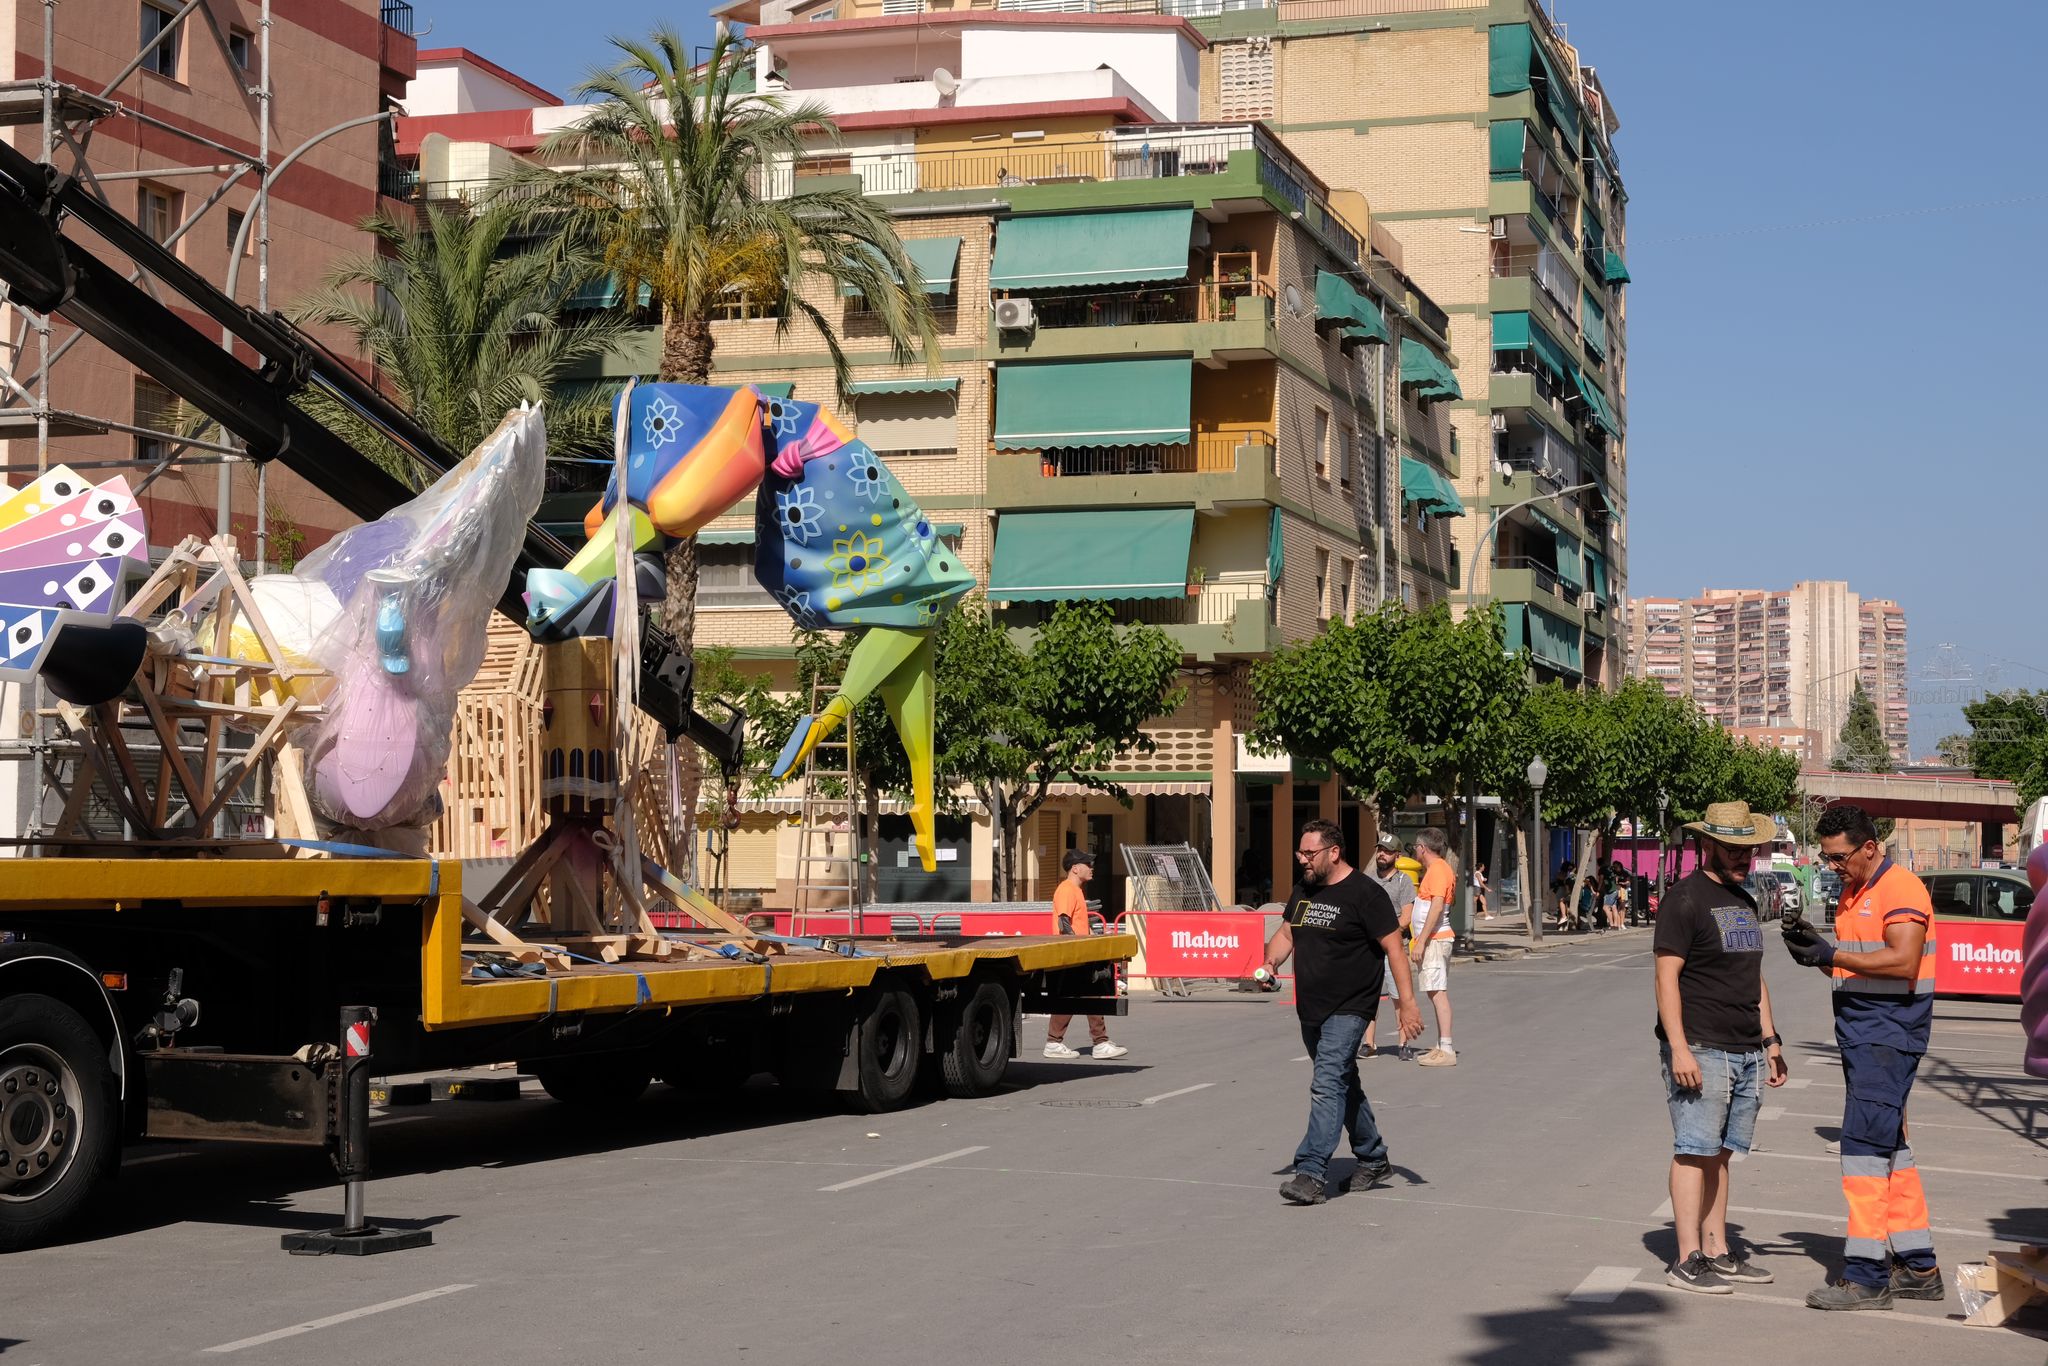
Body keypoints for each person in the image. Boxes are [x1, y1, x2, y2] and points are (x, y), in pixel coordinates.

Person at [1782, 804, 1943, 1310]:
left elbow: (1903, 959)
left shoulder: (1900, 889)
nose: (1833, 867)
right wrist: (1818, 951)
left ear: (1869, 847)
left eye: (1839, 858)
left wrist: (1831, 955)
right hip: (1867, 1034)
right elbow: (1863, 960)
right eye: (1827, 858)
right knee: (1891, 1149)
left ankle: (1867, 1277)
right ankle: (1919, 1267)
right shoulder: (1857, 889)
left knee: (1864, 1153)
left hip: (1887, 1037)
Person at [1653, 800, 1789, 1294]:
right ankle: (1687, 1258)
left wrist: (1770, 1041)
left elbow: (1754, 978)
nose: (1742, 858)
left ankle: (1718, 1250)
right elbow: (1666, 979)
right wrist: (1681, 1048)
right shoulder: (1684, 899)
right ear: (1706, 844)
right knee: (1693, 1151)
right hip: (1702, 1047)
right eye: (1732, 849)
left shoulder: (1746, 901)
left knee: (1722, 1154)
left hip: (1746, 1048)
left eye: (1748, 850)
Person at [1259, 819, 1420, 1205]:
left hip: (1349, 1007)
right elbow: (1286, 934)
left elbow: (1394, 948)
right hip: (1310, 1006)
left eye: (1309, 853)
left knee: (1327, 1081)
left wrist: (1408, 1004)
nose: (1302, 859)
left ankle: (1312, 1171)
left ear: (1334, 852)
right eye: (1300, 852)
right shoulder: (1305, 889)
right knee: (1343, 1082)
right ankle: (1374, 1156)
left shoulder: (1366, 894)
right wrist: (1269, 964)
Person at [1043, 850, 1129, 1060]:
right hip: (1073, 953)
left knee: (1077, 996)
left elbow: (1077, 923)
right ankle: (1096, 1043)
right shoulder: (1067, 890)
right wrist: (1076, 950)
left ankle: (1060, 1042)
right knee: (1086, 995)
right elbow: (1064, 923)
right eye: (1088, 865)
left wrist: (1096, 936)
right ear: (1075, 868)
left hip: (1078, 952)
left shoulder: (1076, 890)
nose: (1092, 868)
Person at [1361, 831, 1417, 1060]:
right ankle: (1369, 1044)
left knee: (1398, 995)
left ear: (1397, 855)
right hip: (1369, 948)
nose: (1382, 854)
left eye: (1387, 851)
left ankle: (1403, 1043)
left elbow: (1406, 917)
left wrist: (1387, 933)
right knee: (1368, 996)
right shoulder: (1368, 881)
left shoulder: (1404, 882)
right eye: (1380, 850)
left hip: (1394, 946)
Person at [1409, 827, 1458, 1066]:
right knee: (1434, 990)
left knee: (1438, 992)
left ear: (1423, 848)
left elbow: (1437, 907)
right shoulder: (1437, 870)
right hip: (1435, 939)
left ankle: (1446, 1048)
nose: (1415, 852)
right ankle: (1441, 1045)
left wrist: (1421, 941)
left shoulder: (1438, 870)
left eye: (1416, 848)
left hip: (1436, 940)